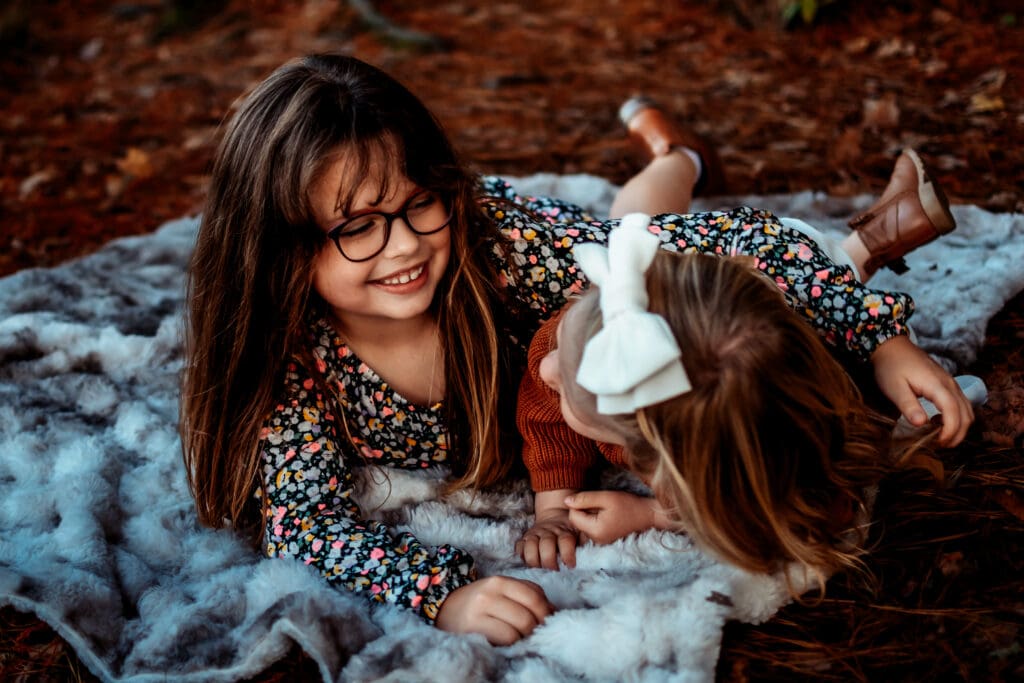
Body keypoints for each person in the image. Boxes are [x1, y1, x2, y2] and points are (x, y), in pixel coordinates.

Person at [179, 52, 966, 645]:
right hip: (579, 306)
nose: (403, 246)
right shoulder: (293, 359)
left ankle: (677, 160)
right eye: (357, 225)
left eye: (420, 202)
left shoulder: (492, 240)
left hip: (589, 290)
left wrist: (880, 336)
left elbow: (724, 248)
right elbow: (304, 523)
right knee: (623, 224)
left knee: (631, 237)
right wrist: (436, 592)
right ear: (278, 247)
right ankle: (674, 153)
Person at [514, 101, 974, 584]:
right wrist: (552, 508)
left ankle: (869, 236)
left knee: (824, 268)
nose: (545, 367)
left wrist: (652, 516)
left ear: (662, 455)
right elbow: (547, 413)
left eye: (566, 385)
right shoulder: (605, 327)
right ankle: (682, 159)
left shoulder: (748, 445)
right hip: (772, 266)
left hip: (796, 286)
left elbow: (750, 513)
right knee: (632, 220)